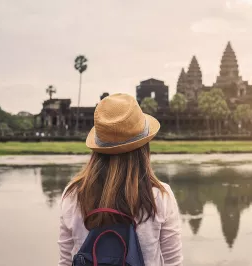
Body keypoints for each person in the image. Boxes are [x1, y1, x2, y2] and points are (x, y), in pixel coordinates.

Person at [58, 93, 183, 266]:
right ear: (143, 147)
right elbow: (173, 263)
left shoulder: (73, 194)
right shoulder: (159, 196)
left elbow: (65, 262)